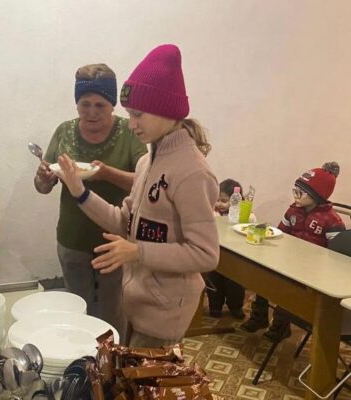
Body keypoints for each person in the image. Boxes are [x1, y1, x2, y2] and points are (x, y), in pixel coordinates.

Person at [56, 44, 219, 348]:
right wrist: (79, 191)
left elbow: (206, 254)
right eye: (130, 114)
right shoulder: (148, 161)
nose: (131, 123)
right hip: (135, 304)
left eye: (138, 114)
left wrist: (137, 252)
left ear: (167, 110)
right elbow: (123, 221)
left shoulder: (192, 172)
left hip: (164, 315)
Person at [34, 63, 148, 335]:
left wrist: (107, 174)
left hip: (115, 241)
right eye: (85, 104)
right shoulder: (64, 131)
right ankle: (82, 367)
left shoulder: (129, 133)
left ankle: (111, 368)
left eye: (100, 105)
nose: (92, 112)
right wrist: (44, 176)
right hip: (73, 238)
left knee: (113, 311)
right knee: (77, 310)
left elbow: (144, 181)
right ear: (76, 104)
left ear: (112, 105)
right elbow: (42, 186)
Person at [241, 162, 345, 341]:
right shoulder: (293, 211)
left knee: (286, 288)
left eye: (300, 192)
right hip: (289, 260)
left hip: (312, 271)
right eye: (294, 191)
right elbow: (281, 232)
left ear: (317, 195)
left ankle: (280, 326)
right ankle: (259, 317)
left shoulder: (332, 220)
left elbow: (337, 255)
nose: (295, 196)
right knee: (264, 275)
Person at [207, 179, 249, 319]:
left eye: (224, 201)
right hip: (216, 254)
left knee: (235, 284)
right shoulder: (212, 213)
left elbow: (250, 226)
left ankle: (235, 307)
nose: (219, 204)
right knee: (213, 281)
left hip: (235, 256)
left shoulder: (243, 214)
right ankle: (215, 306)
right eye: (217, 200)